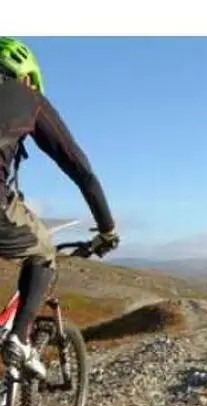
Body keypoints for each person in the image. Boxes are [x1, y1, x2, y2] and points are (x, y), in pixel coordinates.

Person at [0, 37, 119, 378]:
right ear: (27, 77)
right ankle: (19, 340)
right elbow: (81, 169)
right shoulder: (28, 97)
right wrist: (107, 228)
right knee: (43, 250)